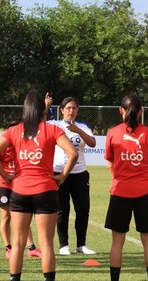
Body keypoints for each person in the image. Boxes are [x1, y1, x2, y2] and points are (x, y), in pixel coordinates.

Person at [0, 90, 77, 281]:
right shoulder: (51, 130)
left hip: (20, 190)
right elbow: (72, 153)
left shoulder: (14, 131)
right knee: (46, 243)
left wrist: (6, 175)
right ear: (42, 109)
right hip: (46, 190)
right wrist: (63, 176)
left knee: (17, 243)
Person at [103, 94, 148, 281]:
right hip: (144, 192)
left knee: (117, 242)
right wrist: (143, 177)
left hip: (120, 191)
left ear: (121, 110)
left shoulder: (112, 133)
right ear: (141, 111)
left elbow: (110, 163)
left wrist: (121, 177)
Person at [48, 97, 97, 255]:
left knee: (83, 210)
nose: (71, 111)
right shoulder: (55, 125)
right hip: (60, 173)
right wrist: (45, 106)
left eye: (74, 108)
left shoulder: (82, 127)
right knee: (62, 210)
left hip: (80, 174)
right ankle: (64, 245)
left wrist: (78, 130)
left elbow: (92, 143)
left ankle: (81, 245)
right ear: (61, 110)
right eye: (68, 108)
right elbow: (38, 123)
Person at [0, 121, 41, 260]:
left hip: (19, 184)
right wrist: (1, 182)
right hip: (4, 184)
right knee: (6, 217)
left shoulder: (23, 144)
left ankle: (31, 247)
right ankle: (9, 248)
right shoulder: (1, 146)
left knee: (23, 215)